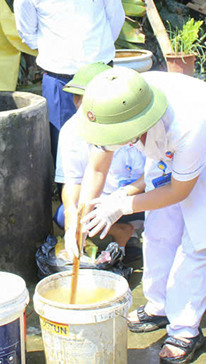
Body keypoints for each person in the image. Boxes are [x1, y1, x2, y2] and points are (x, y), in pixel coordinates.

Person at [68, 67, 206, 364]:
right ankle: (159, 306)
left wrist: (122, 205)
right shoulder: (114, 106)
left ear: (134, 126)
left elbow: (179, 191)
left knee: (199, 244)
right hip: (168, 151)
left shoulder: (188, 122)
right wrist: (80, 217)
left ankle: (185, 328)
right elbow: (98, 168)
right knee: (159, 230)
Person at [13, 0, 124, 155]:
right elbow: (26, 33)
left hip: (101, 74)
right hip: (58, 80)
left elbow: (115, 19)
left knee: (108, 140)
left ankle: (106, 191)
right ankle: (67, 192)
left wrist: (97, 51)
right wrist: (57, 54)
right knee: (64, 144)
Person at [55, 62, 145, 261]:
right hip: (98, 200)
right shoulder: (71, 131)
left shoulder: (133, 124)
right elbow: (74, 180)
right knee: (63, 215)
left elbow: (156, 174)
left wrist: (120, 198)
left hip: (139, 197)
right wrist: (73, 220)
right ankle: (121, 232)